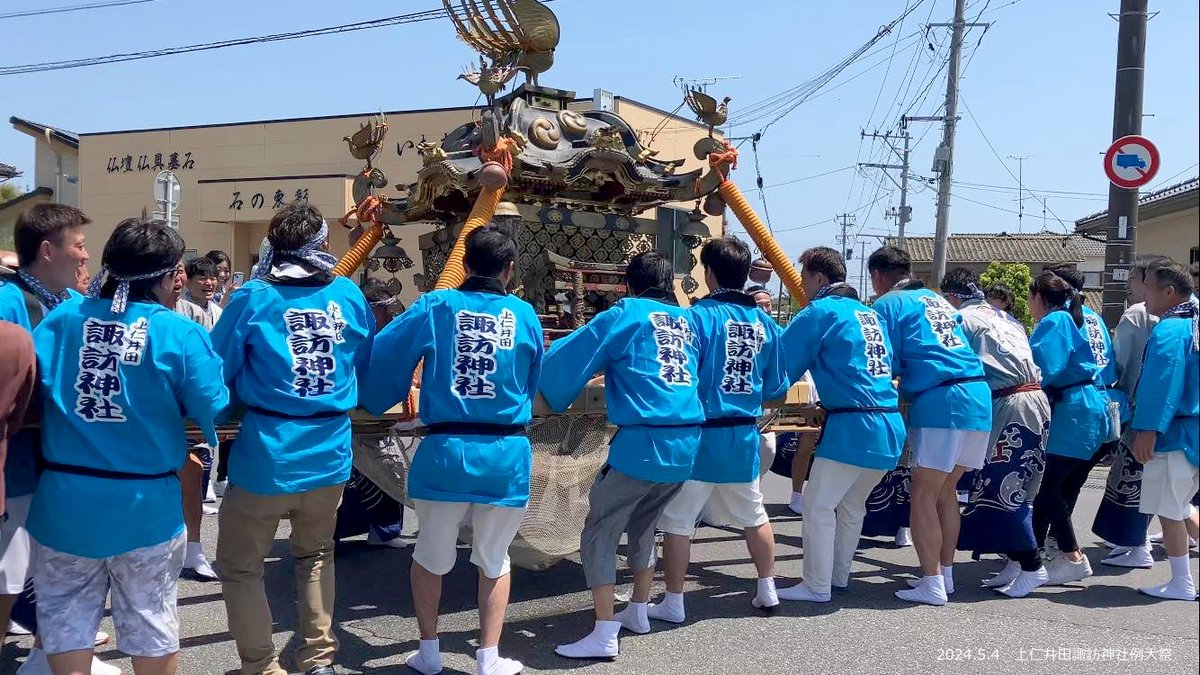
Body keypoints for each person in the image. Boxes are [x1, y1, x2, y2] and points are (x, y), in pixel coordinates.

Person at [27, 217, 228, 675]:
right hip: (146, 506)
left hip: (66, 501)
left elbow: (31, 387)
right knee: (151, 620)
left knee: (67, 624)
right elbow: (211, 402)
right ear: (164, 274)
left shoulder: (63, 318)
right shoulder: (177, 331)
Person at [361, 224, 541, 675]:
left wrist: (375, 393)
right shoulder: (524, 314)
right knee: (495, 559)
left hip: (444, 451)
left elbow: (384, 356)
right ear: (510, 270)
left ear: (464, 265)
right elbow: (533, 380)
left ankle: (428, 652)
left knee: (430, 555)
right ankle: (488, 657)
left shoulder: (436, 305)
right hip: (505, 451)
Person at [210, 201, 374, 675]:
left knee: (242, 565)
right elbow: (363, 365)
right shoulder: (346, 294)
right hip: (329, 447)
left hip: (268, 449)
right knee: (316, 555)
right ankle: (318, 657)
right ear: (321, 243)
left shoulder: (253, 296)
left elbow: (216, 370)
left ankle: (261, 665)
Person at [540, 251, 703, 660]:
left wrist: (545, 386)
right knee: (645, 524)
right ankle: (638, 611)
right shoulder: (689, 321)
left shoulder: (626, 313)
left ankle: (603, 629)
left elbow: (566, 358)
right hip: (687, 442)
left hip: (643, 442)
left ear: (629, 284)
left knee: (600, 528)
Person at [0, 204, 120, 675]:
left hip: (61, 458)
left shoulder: (69, 303)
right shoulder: (9, 301)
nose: (85, 257)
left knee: (58, 565)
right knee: (9, 569)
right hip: (20, 460)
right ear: (48, 251)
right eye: (79, 246)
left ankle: (46, 656)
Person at [645, 238, 787, 624]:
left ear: (708, 273)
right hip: (744, 436)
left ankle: (674, 602)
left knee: (678, 521)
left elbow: (678, 378)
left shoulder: (694, 318)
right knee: (754, 514)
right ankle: (767, 588)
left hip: (700, 436)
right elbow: (777, 387)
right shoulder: (765, 324)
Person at [776, 248, 905, 602]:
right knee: (851, 506)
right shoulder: (870, 315)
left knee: (818, 504)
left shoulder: (820, 312)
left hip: (853, 425)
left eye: (803, 279)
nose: (801, 286)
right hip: (889, 425)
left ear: (819, 278)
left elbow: (779, 370)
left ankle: (816, 586)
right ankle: (837, 577)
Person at [866, 246, 991, 606]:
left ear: (877, 276)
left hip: (941, 401)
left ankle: (931, 582)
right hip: (977, 396)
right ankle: (946, 575)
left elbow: (882, 362)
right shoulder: (938, 301)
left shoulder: (887, 304)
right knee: (946, 491)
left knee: (922, 492)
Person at [940, 268, 1052, 598]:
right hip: (1032, 398)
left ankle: (1032, 565)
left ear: (951, 296)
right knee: (1020, 485)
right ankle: (1016, 563)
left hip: (1011, 401)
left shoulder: (963, 319)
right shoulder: (1005, 317)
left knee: (1001, 487)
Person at [1027, 270, 1109, 586]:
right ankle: (1034, 556)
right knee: (1060, 488)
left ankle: (1072, 555)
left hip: (1073, 409)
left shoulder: (1054, 321)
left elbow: (1042, 368)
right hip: (1089, 405)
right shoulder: (1080, 317)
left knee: (1047, 491)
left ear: (1040, 297)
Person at [1093, 255, 1170, 570]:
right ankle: (1146, 540)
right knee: (1160, 479)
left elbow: (1121, 362)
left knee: (1130, 478)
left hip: (1138, 406)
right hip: (1173, 411)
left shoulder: (1136, 316)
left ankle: (1135, 544)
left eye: (1132, 283)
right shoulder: (1183, 315)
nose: (1128, 290)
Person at [1130, 261, 1199, 601]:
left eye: (1149, 289)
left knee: (1170, 509)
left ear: (1169, 292)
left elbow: (1162, 383)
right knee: (1184, 506)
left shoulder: (1172, 329)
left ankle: (1181, 583)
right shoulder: (1195, 321)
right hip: (1193, 430)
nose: (1144, 296)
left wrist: (1147, 429)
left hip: (1175, 431)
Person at [336, 279, 408, 550]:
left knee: (390, 468)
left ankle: (383, 531)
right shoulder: (350, 333)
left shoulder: (389, 336)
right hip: (346, 421)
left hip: (377, 421)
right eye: (383, 308)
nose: (390, 313)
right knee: (345, 477)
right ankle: (331, 536)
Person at [181, 256, 223, 329]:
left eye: (213, 278)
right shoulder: (179, 309)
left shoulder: (218, 312)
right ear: (187, 282)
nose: (209, 283)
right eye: (203, 278)